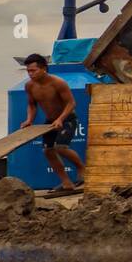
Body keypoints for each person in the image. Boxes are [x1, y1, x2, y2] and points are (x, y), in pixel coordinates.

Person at [20, 53, 85, 193]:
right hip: (50, 121)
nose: (30, 74)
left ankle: (81, 168)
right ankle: (66, 183)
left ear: (43, 68)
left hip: (67, 119)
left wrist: (61, 118)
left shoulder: (58, 83)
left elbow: (71, 103)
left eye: (33, 70)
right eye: (28, 71)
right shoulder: (29, 86)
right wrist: (29, 120)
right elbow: (32, 105)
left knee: (60, 147)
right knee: (48, 151)